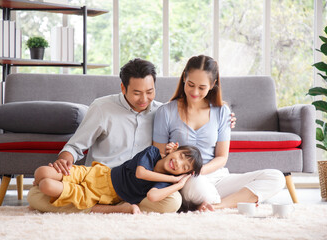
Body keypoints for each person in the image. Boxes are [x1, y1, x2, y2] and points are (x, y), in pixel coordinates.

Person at [27, 58, 236, 213]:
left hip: (139, 189)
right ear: (123, 88)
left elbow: (182, 133)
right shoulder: (102, 108)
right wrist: (65, 159)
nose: (144, 99)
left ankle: (105, 208)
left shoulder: (161, 111)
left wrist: (225, 117)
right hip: (100, 178)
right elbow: (75, 146)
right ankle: (105, 206)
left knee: (173, 202)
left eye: (150, 91)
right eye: (137, 93)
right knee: (37, 194)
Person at [152, 55, 285, 211]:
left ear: (213, 84)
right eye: (191, 84)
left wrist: (200, 170)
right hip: (188, 180)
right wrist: (171, 155)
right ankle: (237, 199)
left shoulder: (222, 111)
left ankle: (220, 205)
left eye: (202, 87)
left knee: (276, 177)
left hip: (217, 177)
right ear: (184, 79)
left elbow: (221, 157)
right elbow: (158, 156)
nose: (195, 92)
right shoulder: (166, 112)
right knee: (199, 186)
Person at [33, 145, 202, 214]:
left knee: (46, 185)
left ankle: (102, 208)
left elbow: (153, 196)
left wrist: (178, 184)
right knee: (40, 171)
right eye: (180, 156)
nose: (178, 163)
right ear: (174, 150)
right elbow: (141, 173)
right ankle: (39, 184)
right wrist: (172, 179)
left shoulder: (164, 183)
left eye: (185, 167)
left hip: (100, 193)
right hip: (97, 173)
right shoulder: (152, 153)